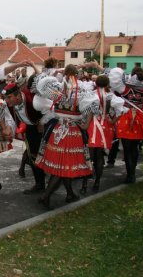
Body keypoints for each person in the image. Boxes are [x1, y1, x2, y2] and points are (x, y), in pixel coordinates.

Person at [34, 64, 100, 209]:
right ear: (77, 75)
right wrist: (84, 124)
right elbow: (91, 108)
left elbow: (48, 105)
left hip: (57, 130)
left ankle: (70, 193)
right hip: (72, 132)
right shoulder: (82, 91)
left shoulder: (57, 89)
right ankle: (45, 196)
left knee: (62, 165)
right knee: (63, 166)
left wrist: (45, 121)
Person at [81, 74, 126, 193]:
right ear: (107, 84)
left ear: (96, 83)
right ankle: (97, 183)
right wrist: (112, 120)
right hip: (105, 126)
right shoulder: (111, 96)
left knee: (88, 156)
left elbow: (84, 110)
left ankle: (84, 184)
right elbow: (121, 111)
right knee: (99, 157)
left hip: (92, 125)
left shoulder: (91, 94)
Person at [2, 78, 48, 194]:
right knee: (33, 157)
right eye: (6, 98)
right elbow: (11, 119)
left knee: (48, 156)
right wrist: (9, 130)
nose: (7, 101)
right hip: (30, 128)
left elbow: (49, 108)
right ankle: (40, 184)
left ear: (17, 95)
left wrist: (42, 122)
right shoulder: (10, 104)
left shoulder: (32, 98)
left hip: (44, 126)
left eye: (9, 97)